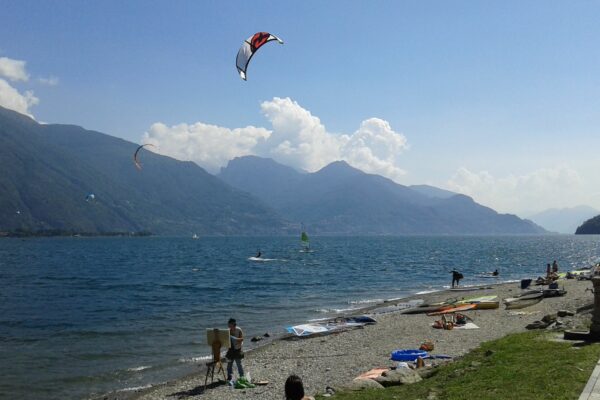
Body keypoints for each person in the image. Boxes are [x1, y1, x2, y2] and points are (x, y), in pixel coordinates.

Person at [226, 318, 244, 382]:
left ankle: (242, 376)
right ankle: (229, 377)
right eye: (228, 325)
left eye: (230, 325)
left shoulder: (239, 330)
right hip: (230, 350)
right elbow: (225, 340)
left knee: (239, 364)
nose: (229, 327)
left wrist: (235, 339)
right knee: (229, 364)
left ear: (234, 325)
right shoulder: (228, 331)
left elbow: (242, 339)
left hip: (237, 349)